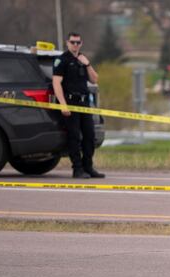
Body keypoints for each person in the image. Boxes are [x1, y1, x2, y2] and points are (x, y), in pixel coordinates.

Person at [52, 32, 104, 179]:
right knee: (74, 137)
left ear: (81, 43)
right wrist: (63, 105)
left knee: (90, 136)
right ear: (67, 43)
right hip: (70, 103)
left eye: (78, 42)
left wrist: (87, 64)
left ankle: (88, 167)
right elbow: (56, 84)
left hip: (84, 103)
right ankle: (77, 169)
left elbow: (94, 80)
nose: (75, 45)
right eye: (72, 42)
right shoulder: (61, 60)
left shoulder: (83, 59)